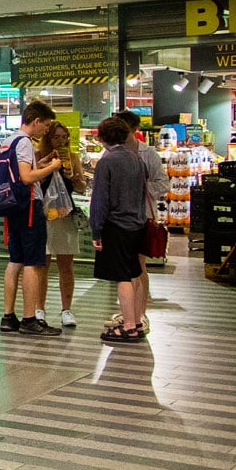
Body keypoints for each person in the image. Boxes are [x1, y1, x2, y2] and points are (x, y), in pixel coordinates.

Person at [0, 101, 65, 336]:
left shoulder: (10, 140)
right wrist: (53, 166)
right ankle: (29, 319)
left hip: (12, 207)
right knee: (33, 263)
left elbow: (19, 172)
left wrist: (42, 163)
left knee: (15, 260)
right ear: (36, 122)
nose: (46, 130)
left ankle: (8, 317)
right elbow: (26, 178)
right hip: (28, 207)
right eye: (45, 125)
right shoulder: (25, 142)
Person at [91, 116, 149, 344]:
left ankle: (127, 326)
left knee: (122, 277)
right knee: (135, 273)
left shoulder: (107, 162)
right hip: (136, 223)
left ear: (103, 137)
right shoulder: (137, 159)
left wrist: (96, 230)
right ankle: (135, 321)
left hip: (116, 225)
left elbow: (100, 200)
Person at [112, 110, 168, 334]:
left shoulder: (148, 154)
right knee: (124, 268)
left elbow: (163, 183)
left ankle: (140, 313)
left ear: (134, 130)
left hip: (142, 215)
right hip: (119, 218)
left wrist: (141, 189)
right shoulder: (113, 154)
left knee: (138, 265)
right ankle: (128, 312)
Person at [36, 119, 87, 328]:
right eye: (56, 137)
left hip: (65, 214)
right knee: (42, 265)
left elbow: (82, 187)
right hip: (45, 214)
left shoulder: (73, 158)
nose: (61, 141)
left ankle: (67, 309)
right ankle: (39, 308)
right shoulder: (39, 157)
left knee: (66, 265)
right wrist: (48, 167)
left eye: (64, 137)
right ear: (48, 138)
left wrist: (74, 177)